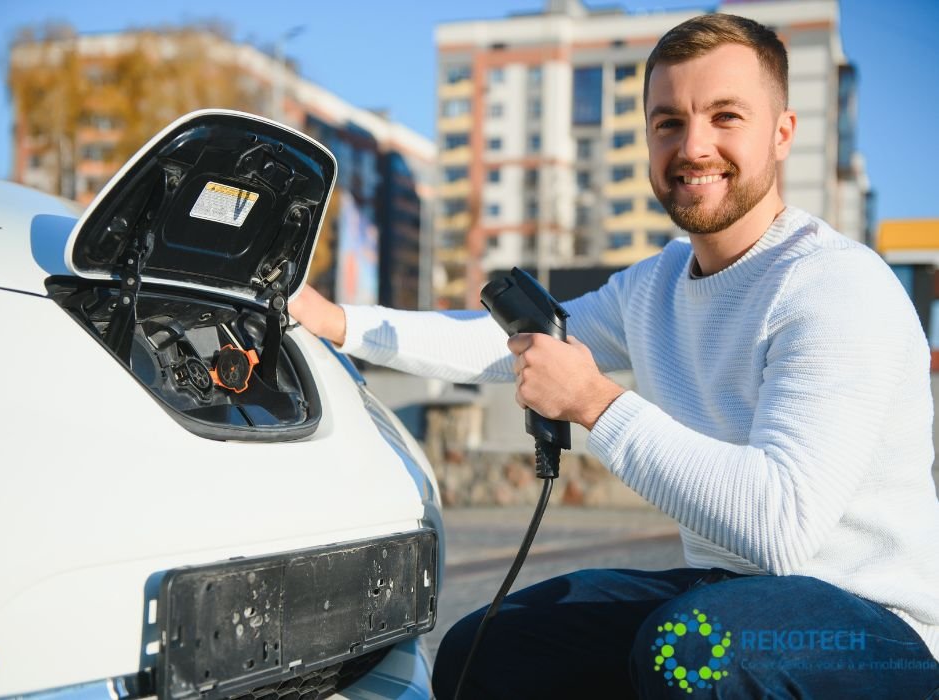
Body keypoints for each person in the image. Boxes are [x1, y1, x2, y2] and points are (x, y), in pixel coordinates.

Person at [292, 13, 939, 698]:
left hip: (875, 629)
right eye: (668, 123)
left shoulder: (833, 286)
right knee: (489, 647)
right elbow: (507, 344)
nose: (693, 147)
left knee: (691, 652)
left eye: (725, 117)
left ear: (781, 134)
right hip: (735, 593)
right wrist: (336, 321)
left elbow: (779, 529)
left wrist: (595, 403)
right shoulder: (656, 285)